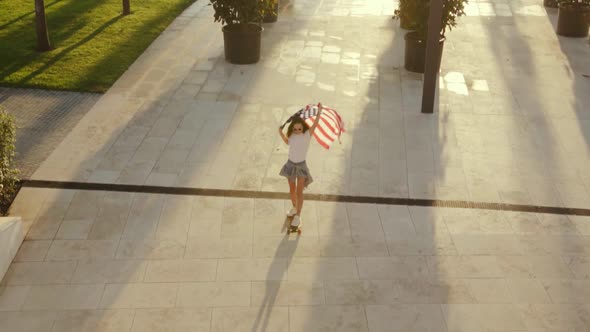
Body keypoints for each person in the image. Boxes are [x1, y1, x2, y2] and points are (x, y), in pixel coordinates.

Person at [278, 103, 323, 229]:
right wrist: (281, 133)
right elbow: (287, 142)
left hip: (301, 166)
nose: (297, 131)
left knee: (299, 192)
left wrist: (319, 112)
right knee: (292, 191)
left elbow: (315, 124)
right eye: (295, 129)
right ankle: (294, 207)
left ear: (303, 128)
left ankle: (298, 215)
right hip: (290, 165)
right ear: (292, 128)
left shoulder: (307, 135)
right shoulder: (292, 135)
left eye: (299, 129)